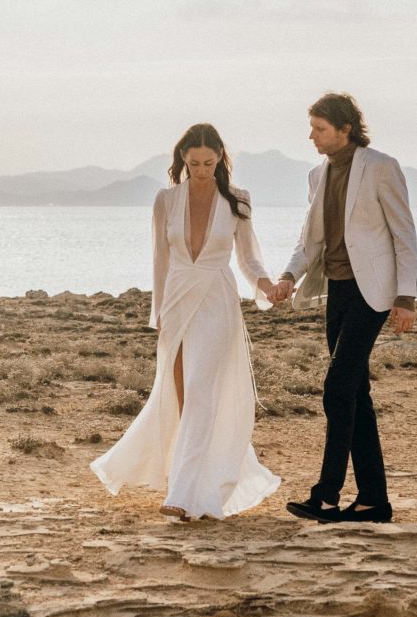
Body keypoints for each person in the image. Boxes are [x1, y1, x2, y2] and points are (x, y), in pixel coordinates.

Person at [91, 124, 282, 520]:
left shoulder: (237, 201)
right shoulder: (166, 200)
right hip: (176, 304)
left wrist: (267, 286)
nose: (201, 169)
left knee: (199, 393)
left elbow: (248, 259)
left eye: (208, 162)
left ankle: (181, 496)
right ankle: (194, 476)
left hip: (216, 299)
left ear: (220, 159)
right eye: (193, 163)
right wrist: (158, 313)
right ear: (182, 160)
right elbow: (160, 259)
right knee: (179, 399)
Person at [268, 92, 417, 523]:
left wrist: (405, 296)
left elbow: (403, 233)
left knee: (337, 389)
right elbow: (309, 240)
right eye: (311, 128)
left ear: (345, 128)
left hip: (374, 294)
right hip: (335, 291)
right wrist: (288, 277)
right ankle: (374, 500)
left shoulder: (381, 167)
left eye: (320, 128)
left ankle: (326, 495)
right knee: (356, 394)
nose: (312, 136)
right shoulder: (317, 176)